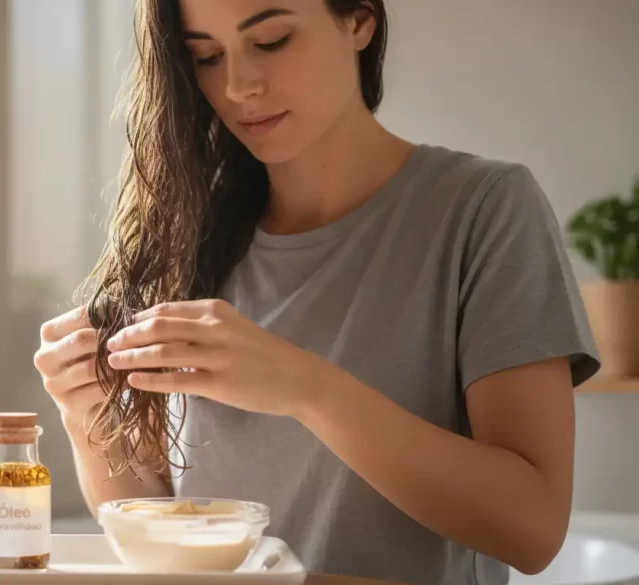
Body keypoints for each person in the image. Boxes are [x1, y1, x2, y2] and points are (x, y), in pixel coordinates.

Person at [32, 1, 601, 584]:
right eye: (206, 56)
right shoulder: (193, 236)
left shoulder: (483, 209)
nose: (238, 86)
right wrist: (88, 417)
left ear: (358, 20)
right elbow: (162, 526)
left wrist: (306, 388)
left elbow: (533, 530)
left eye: (273, 40)